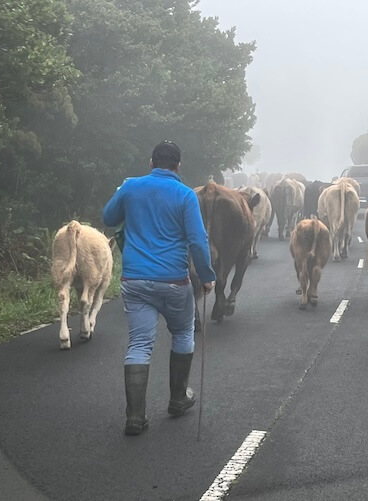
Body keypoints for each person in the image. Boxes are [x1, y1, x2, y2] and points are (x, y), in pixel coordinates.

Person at [103, 141, 216, 436]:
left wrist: (124, 193)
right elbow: (197, 241)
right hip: (174, 282)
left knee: (140, 343)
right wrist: (206, 275)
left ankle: (135, 417)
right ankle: (178, 399)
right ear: (178, 166)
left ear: (151, 162)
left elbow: (108, 218)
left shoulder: (130, 187)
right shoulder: (185, 195)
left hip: (135, 280)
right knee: (182, 332)